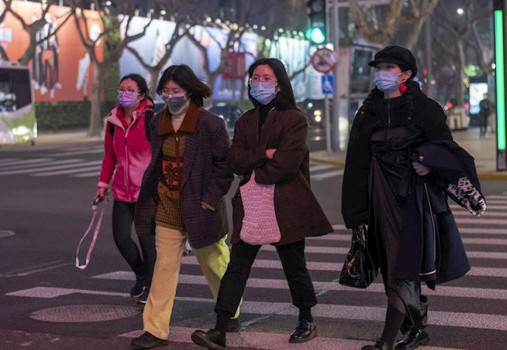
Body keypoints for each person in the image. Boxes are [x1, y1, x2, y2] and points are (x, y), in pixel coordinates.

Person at [341, 46, 486, 350]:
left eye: (389, 68)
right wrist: (355, 214)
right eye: (379, 67)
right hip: (378, 201)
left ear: (406, 74)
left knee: (401, 268)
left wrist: (426, 160)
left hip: (414, 202)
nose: (382, 73)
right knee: (391, 268)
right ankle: (418, 329)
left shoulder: (426, 109)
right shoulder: (367, 111)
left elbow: (446, 150)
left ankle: (385, 342)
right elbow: (356, 163)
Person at [190, 58, 333, 350]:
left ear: (278, 84)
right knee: (237, 266)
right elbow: (234, 159)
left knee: (294, 265)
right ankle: (219, 328)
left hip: (285, 203)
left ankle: (306, 319)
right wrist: (264, 153)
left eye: (265, 77)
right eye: (255, 77)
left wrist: (255, 168)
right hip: (252, 203)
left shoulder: (294, 118)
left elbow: (287, 164)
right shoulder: (245, 120)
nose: (259, 82)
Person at [131, 65, 240, 349]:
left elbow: (224, 167)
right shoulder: (157, 122)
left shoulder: (210, 124)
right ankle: (154, 329)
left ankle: (231, 308)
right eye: (165, 91)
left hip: (201, 206)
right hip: (167, 204)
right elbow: (156, 163)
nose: (170, 96)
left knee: (214, 262)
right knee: (163, 267)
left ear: (189, 91)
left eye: (175, 91)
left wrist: (210, 198)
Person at [96, 74, 156, 304]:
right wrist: (103, 185)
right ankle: (141, 274)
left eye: (130, 90)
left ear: (141, 94)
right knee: (121, 238)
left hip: (146, 192)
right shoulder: (113, 121)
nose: (124, 93)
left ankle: (151, 285)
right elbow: (109, 155)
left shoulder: (152, 119)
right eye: (122, 89)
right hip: (122, 190)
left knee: (147, 242)